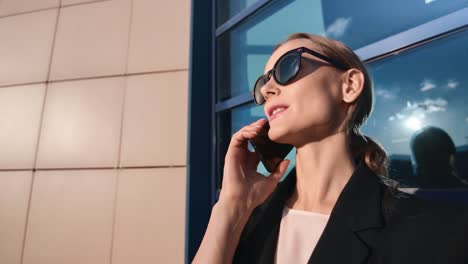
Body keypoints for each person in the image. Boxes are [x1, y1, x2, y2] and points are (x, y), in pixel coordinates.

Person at [192, 33, 468, 264]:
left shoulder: (438, 232)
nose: (268, 90)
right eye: (263, 83)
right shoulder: (244, 220)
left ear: (349, 85)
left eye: (287, 67)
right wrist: (231, 205)